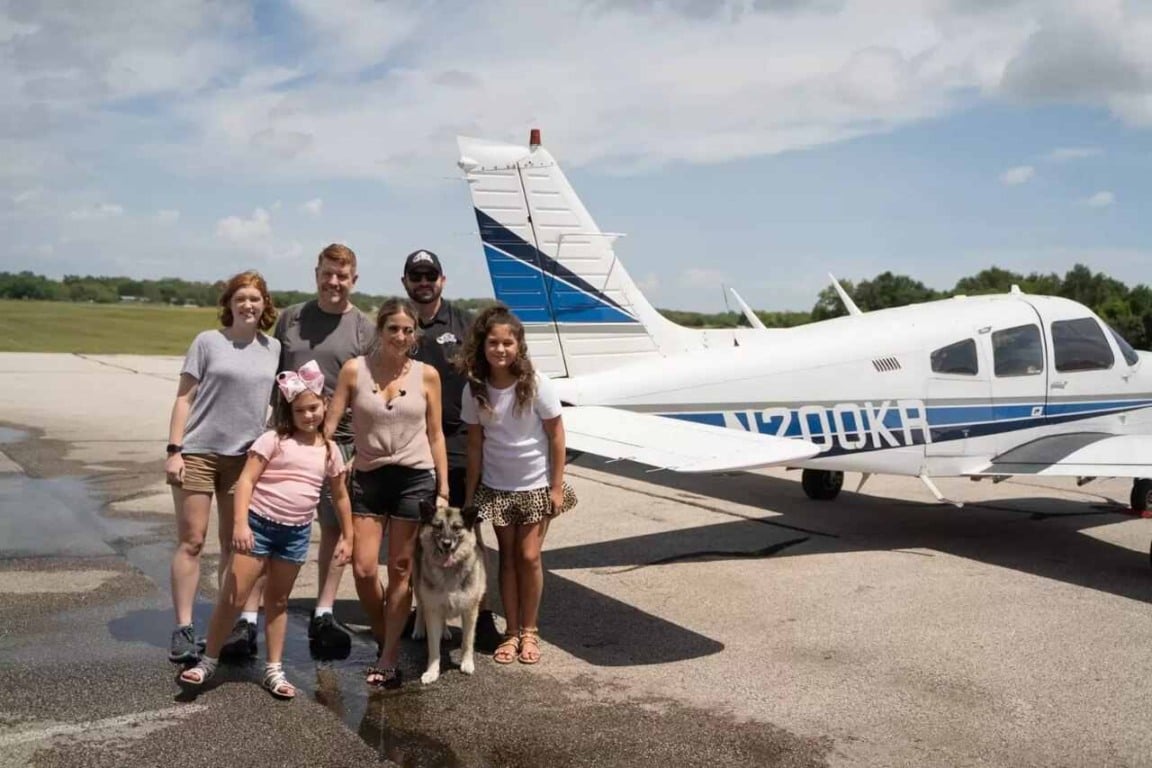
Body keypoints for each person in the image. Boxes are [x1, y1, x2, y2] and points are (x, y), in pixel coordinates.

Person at [223, 244, 375, 659]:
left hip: (338, 443)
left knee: (332, 528)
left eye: (343, 276)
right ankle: (248, 619)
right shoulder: (291, 318)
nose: (334, 282)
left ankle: (324, 611)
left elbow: (369, 389)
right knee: (268, 525)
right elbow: (264, 372)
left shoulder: (364, 327)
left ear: (353, 280)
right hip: (286, 439)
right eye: (328, 274)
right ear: (317, 274)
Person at [178, 361, 353, 699]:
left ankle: (274, 669)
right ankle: (208, 661)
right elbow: (245, 481)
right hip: (258, 526)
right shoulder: (273, 439)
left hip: (296, 533)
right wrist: (241, 523)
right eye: (300, 410)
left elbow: (341, 495)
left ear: (325, 405)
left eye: (314, 408)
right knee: (234, 596)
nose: (309, 415)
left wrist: (348, 535)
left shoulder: (330, 450)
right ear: (290, 411)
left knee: (278, 601)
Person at [327, 298, 449, 688]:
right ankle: (385, 634)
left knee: (400, 569)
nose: (400, 336)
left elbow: (436, 433)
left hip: (415, 478)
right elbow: (328, 427)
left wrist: (443, 488)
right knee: (363, 568)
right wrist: (321, 457)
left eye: (407, 330)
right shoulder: (354, 371)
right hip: (369, 476)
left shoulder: (427, 375)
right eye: (393, 328)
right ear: (379, 330)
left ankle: (390, 654)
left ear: (415, 334)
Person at [165, 271, 281, 664]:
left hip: (243, 460)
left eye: (255, 298)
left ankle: (225, 624)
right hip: (199, 452)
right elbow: (184, 398)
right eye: (241, 298)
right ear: (229, 304)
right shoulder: (207, 342)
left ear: (265, 304)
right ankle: (183, 628)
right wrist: (174, 449)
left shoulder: (273, 348)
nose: (248, 305)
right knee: (192, 541)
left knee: (235, 545)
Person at [460, 305, 577, 666]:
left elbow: (557, 435)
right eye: (493, 342)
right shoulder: (476, 389)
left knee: (529, 556)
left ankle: (531, 630)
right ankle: (511, 632)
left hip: (536, 486)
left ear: (519, 346)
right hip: (497, 487)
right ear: (483, 346)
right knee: (507, 558)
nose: (500, 349)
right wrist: (469, 497)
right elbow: (476, 444)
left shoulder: (536, 384)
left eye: (507, 343)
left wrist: (556, 488)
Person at [400, 249, 502, 652]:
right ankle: (423, 609)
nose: (423, 282)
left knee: (469, 533)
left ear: (442, 280)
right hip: (410, 442)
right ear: (405, 281)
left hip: (458, 441)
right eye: (416, 276)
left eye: (430, 275)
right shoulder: (398, 324)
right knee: (416, 534)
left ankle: (484, 610)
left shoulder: (464, 324)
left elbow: (492, 369)